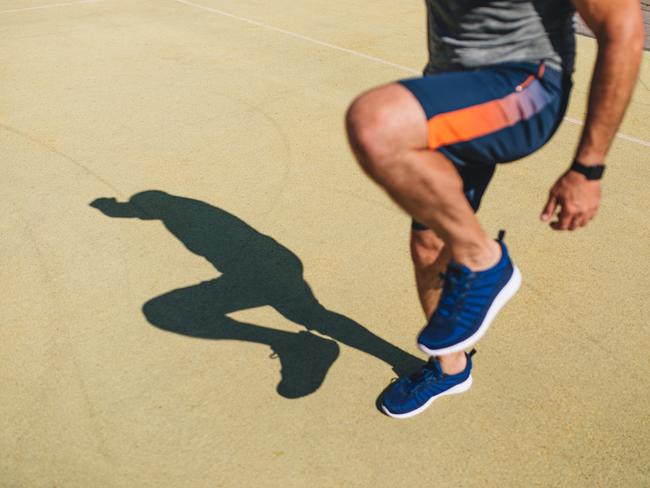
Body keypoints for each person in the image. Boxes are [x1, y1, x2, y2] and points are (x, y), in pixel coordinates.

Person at [345, 0, 644, 418]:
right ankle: (451, 367)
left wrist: (588, 167)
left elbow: (624, 26)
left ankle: (484, 260)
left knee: (376, 123)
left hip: (525, 88)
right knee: (428, 243)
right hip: (453, 89)